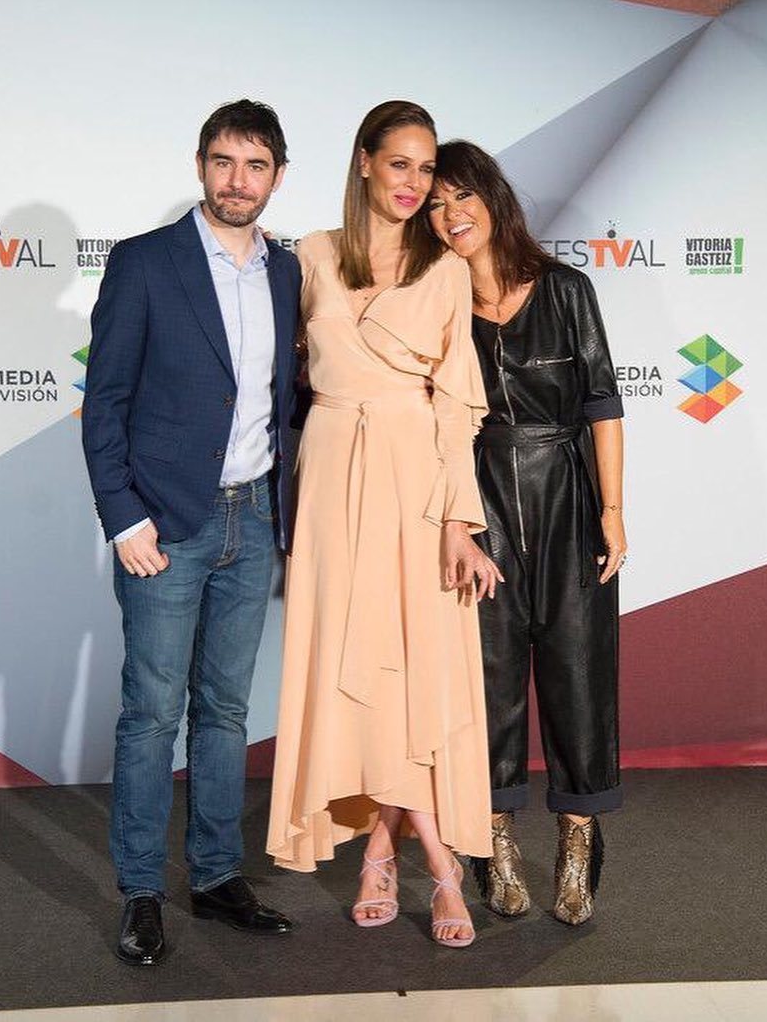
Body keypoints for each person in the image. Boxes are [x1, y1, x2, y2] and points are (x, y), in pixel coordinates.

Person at [266, 101, 501, 949]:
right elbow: (273, 373)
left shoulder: (445, 271)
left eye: (426, 168)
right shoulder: (310, 256)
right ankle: (413, 860)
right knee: (355, 669)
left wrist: (458, 521)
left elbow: (457, 406)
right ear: (364, 161)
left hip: (416, 481)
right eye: (400, 163)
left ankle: (408, 857)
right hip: (332, 475)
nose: (415, 183)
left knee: (414, 675)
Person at [82, 99, 300, 965]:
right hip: (165, 527)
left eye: (255, 165)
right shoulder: (144, 262)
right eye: (223, 161)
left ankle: (214, 876)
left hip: (255, 514)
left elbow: (286, 401)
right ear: (200, 165)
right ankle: (142, 890)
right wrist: (122, 516)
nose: (237, 181)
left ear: (277, 175)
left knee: (225, 710)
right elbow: (105, 400)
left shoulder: (287, 272)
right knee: (150, 714)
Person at [428, 140, 627, 926]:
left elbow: (602, 403)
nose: (451, 214)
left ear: (492, 197)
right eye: (436, 204)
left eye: (462, 196)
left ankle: (579, 839)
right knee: (490, 678)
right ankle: (494, 840)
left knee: (579, 672)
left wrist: (612, 512)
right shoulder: (437, 302)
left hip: (568, 499)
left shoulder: (565, 289)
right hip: (478, 508)